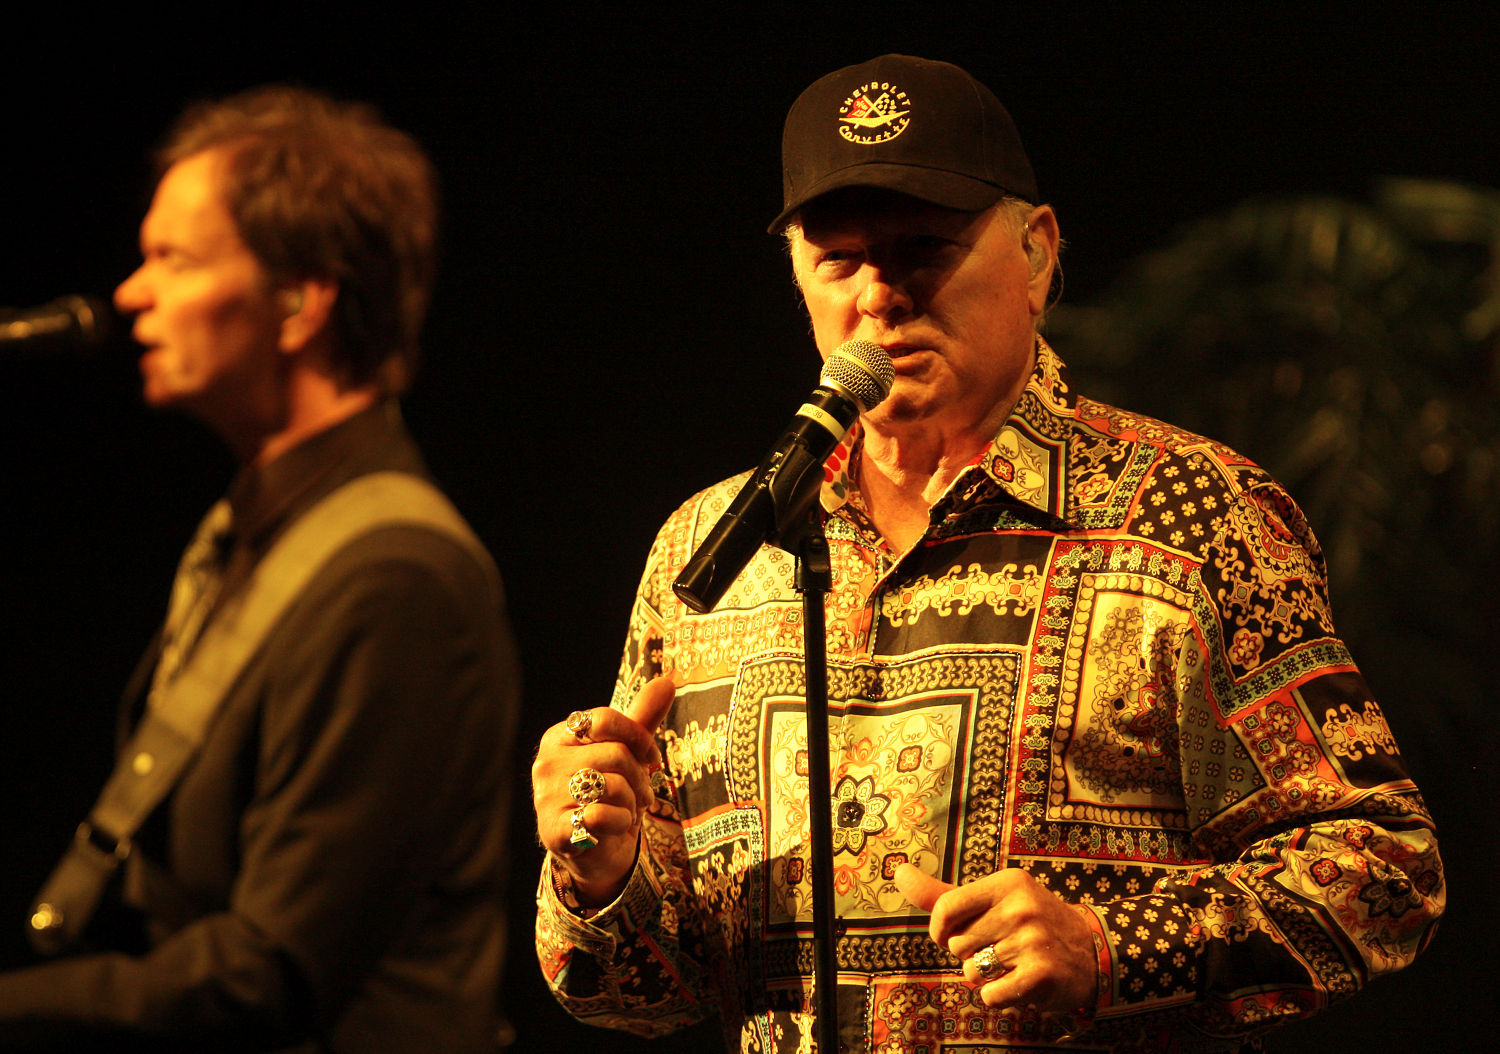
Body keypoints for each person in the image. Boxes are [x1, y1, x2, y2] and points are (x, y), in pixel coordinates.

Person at [531, 55, 1443, 1052]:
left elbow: (1384, 872)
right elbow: (641, 995)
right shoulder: (707, 553)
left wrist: (1113, 948)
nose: (881, 295)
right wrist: (604, 874)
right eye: (841, 258)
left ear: (1040, 255)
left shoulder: (1194, 517)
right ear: (797, 275)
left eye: (924, 250)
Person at [0, 87, 520, 1052]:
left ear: (301, 300)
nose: (128, 294)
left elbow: (268, 973)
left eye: (173, 260)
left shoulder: (399, 581)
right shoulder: (257, 534)